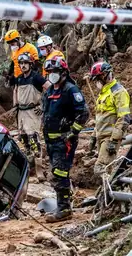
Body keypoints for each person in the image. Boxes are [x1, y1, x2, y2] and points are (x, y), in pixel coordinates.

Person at [42, 56, 89, 223]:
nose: (51, 75)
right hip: (51, 141)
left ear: (62, 73)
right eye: (49, 72)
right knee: (56, 171)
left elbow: (83, 112)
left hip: (64, 141)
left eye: (54, 72)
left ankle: (64, 209)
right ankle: (64, 205)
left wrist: (73, 133)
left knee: (60, 173)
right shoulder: (50, 91)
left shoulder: (70, 90)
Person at [88, 62, 131, 175]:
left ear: (105, 75)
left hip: (110, 138)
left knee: (101, 168)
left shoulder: (119, 92)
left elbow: (124, 118)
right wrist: (93, 136)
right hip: (101, 136)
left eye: (97, 79)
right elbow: (101, 117)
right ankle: (107, 191)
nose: (96, 82)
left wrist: (115, 140)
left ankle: (108, 191)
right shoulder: (103, 93)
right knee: (106, 169)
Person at [14, 53, 50, 181]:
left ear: (30, 64)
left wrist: (43, 106)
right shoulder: (19, 78)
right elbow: (16, 91)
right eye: (21, 63)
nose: (23, 66)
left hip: (33, 112)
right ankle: (30, 167)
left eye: (25, 63)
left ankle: (39, 169)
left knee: (34, 138)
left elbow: (50, 89)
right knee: (23, 138)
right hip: (22, 113)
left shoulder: (37, 78)